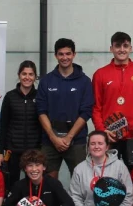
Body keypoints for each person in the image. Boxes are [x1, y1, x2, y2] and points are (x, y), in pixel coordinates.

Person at [37, 39, 93, 180]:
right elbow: (41, 111)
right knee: (48, 182)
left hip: (76, 141)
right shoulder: (46, 81)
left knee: (80, 181)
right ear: (55, 55)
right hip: (50, 141)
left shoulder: (85, 81)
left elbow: (86, 111)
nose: (65, 57)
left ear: (74, 54)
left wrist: (69, 137)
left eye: (68, 53)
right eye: (61, 54)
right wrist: (53, 137)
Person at [92, 32, 133, 162]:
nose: (122, 49)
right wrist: (102, 130)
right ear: (111, 49)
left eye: (125, 46)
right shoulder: (100, 74)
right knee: (107, 172)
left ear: (131, 48)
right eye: (118, 46)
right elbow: (96, 106)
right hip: (110, 135)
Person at [0, 149, 77, 206]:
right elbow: (7, 205)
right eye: (30, 165)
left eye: (37, 165)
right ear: (25, 169)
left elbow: (69, 205)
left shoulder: (53, 183)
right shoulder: (19, 185)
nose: (34, 169)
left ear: (44, 167)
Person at [70, 131, 133, 206]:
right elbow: (75, 198)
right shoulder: (79, 169)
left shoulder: (119, 166)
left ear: (107, 147)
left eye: (100, 143)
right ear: (88, 147)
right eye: (93, 143)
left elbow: (128, 195)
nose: (96, 146)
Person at [0, 60, 43, 191]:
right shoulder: (10, 97)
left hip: (34, 150)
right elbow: (3, 126)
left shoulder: (40, 96)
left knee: (33, 186)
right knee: (12, 186)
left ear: (35, 77)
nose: (27, 77)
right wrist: (0, 152)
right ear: (19, 75)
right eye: (24, 74)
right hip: (13, 150)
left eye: (31, 74)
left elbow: (43, 125)